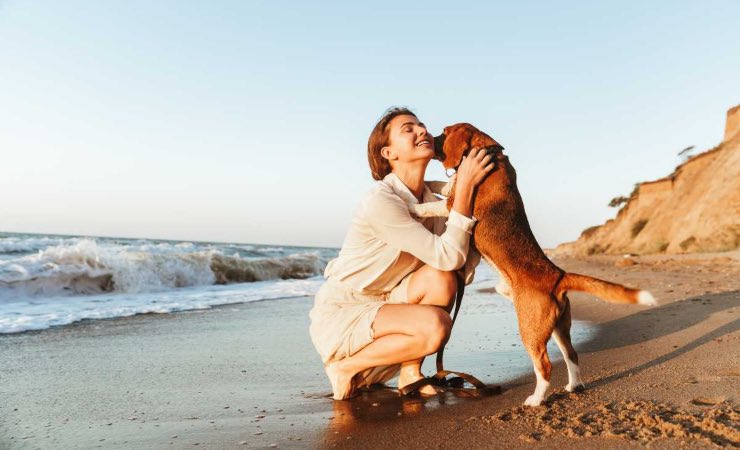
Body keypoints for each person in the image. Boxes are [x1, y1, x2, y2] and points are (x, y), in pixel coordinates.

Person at [309, 107, 494, 399]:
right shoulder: (380, 201)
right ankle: (345, 367)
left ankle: (410, 372)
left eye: (421, 125)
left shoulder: (430, 198)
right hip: (346, 312)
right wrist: (466, 186)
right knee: (436, 327)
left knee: (442, 279)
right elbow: (450, 255)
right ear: (388, 153)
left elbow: (454, 264)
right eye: (408, 129)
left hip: (391, 303)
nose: (422, 131)